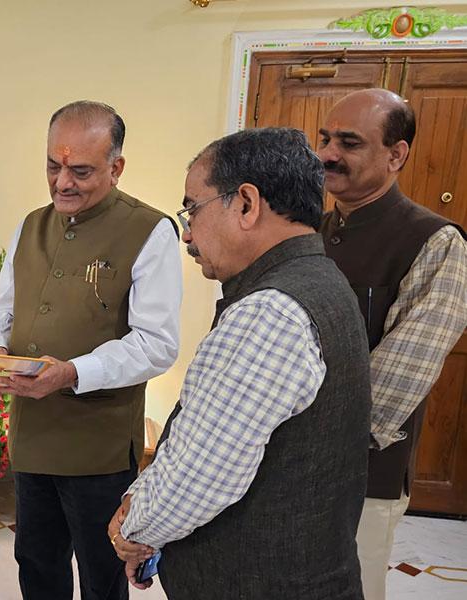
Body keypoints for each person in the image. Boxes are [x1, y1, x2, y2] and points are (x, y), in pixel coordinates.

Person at [109, 128, 372, 599]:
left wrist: (133, 525)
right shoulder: (320, 280)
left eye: (192, 208)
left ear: (247, 204)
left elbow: (199, 476)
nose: (187, 232)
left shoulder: (269, 310)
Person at [0, 100, 182, 599]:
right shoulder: (31, 225)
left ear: (116, 168)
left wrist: (71, 373)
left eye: (81, 170)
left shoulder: (150, 230)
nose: (62, 182)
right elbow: (0, 307)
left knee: (101, 573)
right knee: (37, 563)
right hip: (32, 435)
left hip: (98, 446)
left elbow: (157, 345)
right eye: (53, 165)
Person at [316, 88, 467, 600]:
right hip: (279, 466)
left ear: (396, 154)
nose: (328, 154)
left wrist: (305, 445)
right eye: (325, 138)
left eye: (349, 143)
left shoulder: (436, 241)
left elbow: (399, 378)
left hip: (360, 475)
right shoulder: (309, 231)